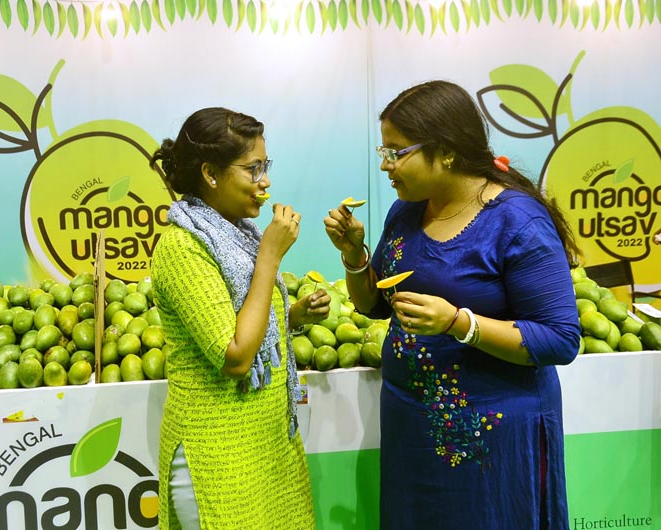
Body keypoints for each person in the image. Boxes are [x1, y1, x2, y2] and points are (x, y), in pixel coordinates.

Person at [324, 80, 581, 530]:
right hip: (411, 425)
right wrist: (354, 255)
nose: (385, 165)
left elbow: (560, 339)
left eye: (397, 152)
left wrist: (459, 324)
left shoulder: (517, 221)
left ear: (444, 152)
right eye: (383, 151)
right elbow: (377, 305)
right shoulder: (407, 211)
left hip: (491, 434)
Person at [149, 107, 329, 530]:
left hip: (263, 443)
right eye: (253, 169)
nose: (265, 181)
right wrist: (269, 256)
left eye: (266, 167)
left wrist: (291, 316)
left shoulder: (236, 233)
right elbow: (235, 356)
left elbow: (243, 317)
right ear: (210, 174)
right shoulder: (181, 246)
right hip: (217, 456)